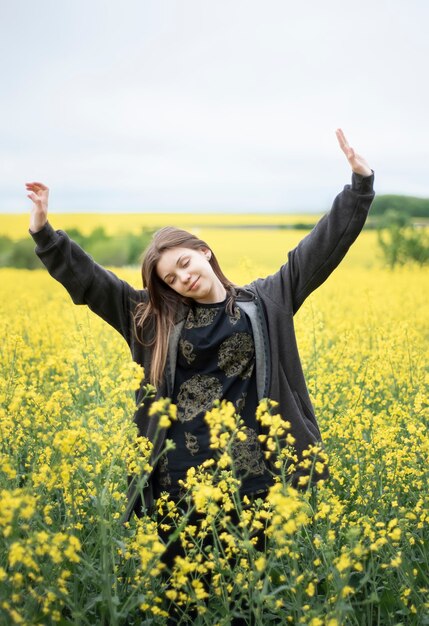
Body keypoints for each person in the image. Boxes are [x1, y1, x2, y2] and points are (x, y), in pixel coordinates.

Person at [26, 129, 375, 531]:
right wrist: (44, 233)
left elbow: (320, 249)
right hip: (177, 486)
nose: (182, 279)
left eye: (185, 264)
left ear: (204, 251)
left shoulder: (265, 301)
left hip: (255, 481)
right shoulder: (151, 318)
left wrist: (359, 187)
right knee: (179, 593)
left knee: (248, 592)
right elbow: (91, 283)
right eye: (171, 278)